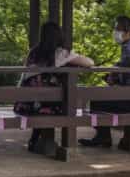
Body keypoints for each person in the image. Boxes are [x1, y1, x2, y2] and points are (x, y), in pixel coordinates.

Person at [79, 15, 130, 150]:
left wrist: (116, 74)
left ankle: (103, 137)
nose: (115, 32)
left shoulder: (128, 47)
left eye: (118, 29)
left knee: (96, 100)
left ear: (129, 32)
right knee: (123, 98)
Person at [14, 22, 94, 153]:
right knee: (62, 101)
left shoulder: (33, 52)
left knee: (43, 100)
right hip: (49, 106)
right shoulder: (61, 54)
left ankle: (34, 140)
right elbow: (90, 62)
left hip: (25, 104)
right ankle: (43, 141)